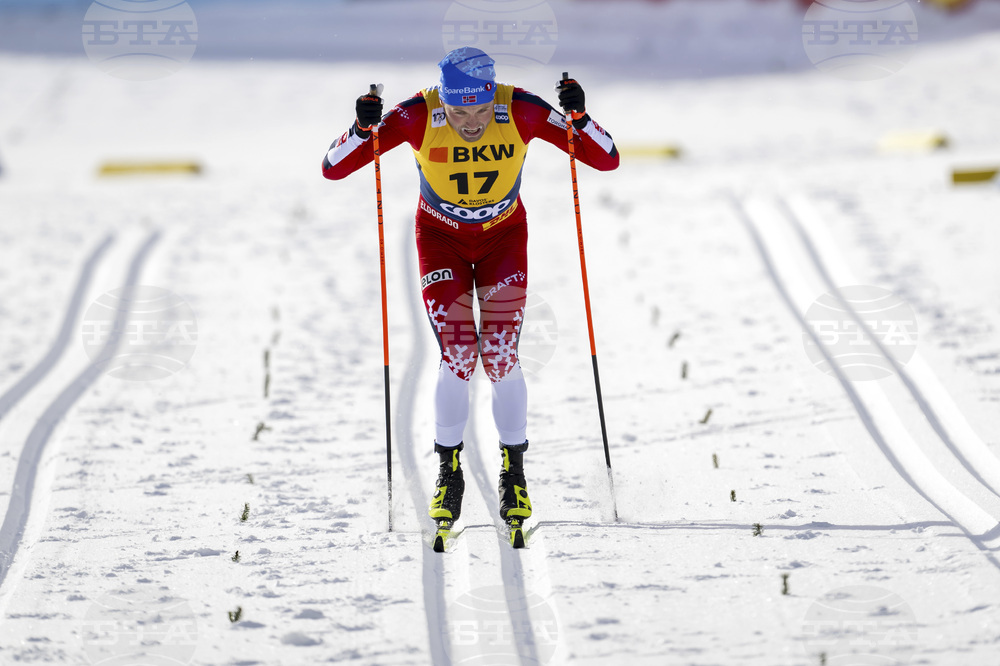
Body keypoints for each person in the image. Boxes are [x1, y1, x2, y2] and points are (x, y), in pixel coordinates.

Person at [322, 47, 619, 541]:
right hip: (440, 240)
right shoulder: (417, 114)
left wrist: (580, 117)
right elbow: (333, 168)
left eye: (480, 110)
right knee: (458, 352)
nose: (472, 123)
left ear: (491, 95)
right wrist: (361, 128)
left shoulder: (519, 108)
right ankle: (449, 471)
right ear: (443, 100)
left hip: (504, 238)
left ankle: (514, 471)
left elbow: (605, 160)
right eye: (459, 113)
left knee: (500, 354)